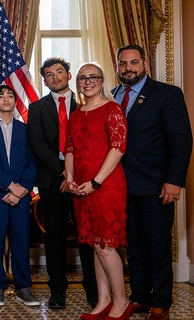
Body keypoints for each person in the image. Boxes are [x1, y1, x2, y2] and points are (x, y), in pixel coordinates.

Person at [113, 44, 192, 320]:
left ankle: (161, 302)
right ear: (117, 67)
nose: (128, 68)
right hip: (121, 187)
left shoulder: (167, 94)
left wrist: (174, 181)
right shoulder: (112, 96)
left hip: (156, 185)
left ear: (145, 63)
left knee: (158, 245)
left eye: (134, 62)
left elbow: (181, 141)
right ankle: (140, 296)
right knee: (133, 246)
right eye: (123, 63)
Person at [28, 57, 98, 309]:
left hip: (85, 180)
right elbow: (37, 144)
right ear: (44, 80)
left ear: (69, 76)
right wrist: (63, 173)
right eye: (48, 74)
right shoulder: (37, 108)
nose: (54, 76)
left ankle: (94, 290)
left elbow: (93, 143)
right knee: (54, 237)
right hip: (52, 181)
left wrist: (76, 174)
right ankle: (57, 291)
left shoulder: (87, 103)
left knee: (87, 236)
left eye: (59, 71)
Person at [65, 62, 130, 320]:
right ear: (77, 83)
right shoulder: (77, 114)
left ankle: (121, 301)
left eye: (93, 77)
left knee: (106, 245)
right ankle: (103, 302)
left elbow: (118, 147)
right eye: (82, 78)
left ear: (102, 81)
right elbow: (70, 149)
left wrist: (96, 182)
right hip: (81, 187)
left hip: (106, 186)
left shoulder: (113, 110)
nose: (87, 81)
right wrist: (70, 178)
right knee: (95, 244)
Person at [0, 85, 39, 308]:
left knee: (21, 240)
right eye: (1, 96)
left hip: (21, 197)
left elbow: (32, 162)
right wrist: (9, 187)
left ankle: (23, 287)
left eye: (10, 95)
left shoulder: (25, 129)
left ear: (16, 102)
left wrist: (22, 189)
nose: (6, 99)